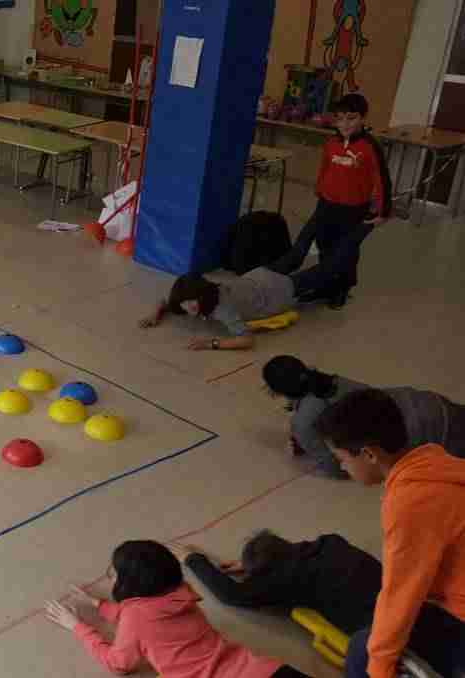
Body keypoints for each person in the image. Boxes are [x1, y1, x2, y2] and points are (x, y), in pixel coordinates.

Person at [315, 390, 465, 678]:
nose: (342, 467)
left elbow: (402, 594)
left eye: (341, 459)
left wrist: (379, 668)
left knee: (363, 651)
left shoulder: (410, 502)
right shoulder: (437, 462)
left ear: (369, 454)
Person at [45, 540, 312, 678]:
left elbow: (119, 665)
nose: (110, 578)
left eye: (113, 574)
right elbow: (146, 623)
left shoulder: (135, 618)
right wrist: (100, 605)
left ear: (129, 584)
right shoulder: (183, 593)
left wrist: (77, 627)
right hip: (267, 671)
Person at [137, 234, 374, 351]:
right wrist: (154, 314)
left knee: (327, 268)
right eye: (186, 305)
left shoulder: (222, 309)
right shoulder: (203, 293)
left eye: (192, 301)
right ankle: (346, 237)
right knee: (298, 251)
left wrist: (211, 343)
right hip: (261, 276)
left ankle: (359, 235)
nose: (191, 308)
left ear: (201, 294)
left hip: (277, 292)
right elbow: (167, 302)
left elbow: (246, 339)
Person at [270, 94, 391, 309]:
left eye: (351, 118)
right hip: (326, 205)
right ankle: (325, 285)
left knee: (345, 251)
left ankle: (341, 288)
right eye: (340, 119)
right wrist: (320, 191)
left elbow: (382, 180)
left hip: (354, 209)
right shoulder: (331, 143)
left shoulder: (370, 146)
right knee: (324, 244)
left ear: (363, 118)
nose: (345, 124)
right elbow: (325, 169)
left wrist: (383, 212)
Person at [263, 356, 465, 476]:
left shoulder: (302, 423)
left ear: (277, 392)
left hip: (434, 434)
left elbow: (336, 467)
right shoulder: (335, 381)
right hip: (425, 402)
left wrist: (312, 447)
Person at [172, 531, 381, 634]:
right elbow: (291, 553)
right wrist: (251, 564)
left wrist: (192, 559)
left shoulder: (287, 580)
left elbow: (230, 594)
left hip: (377, 624)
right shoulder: (330, 542)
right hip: (393, 593)